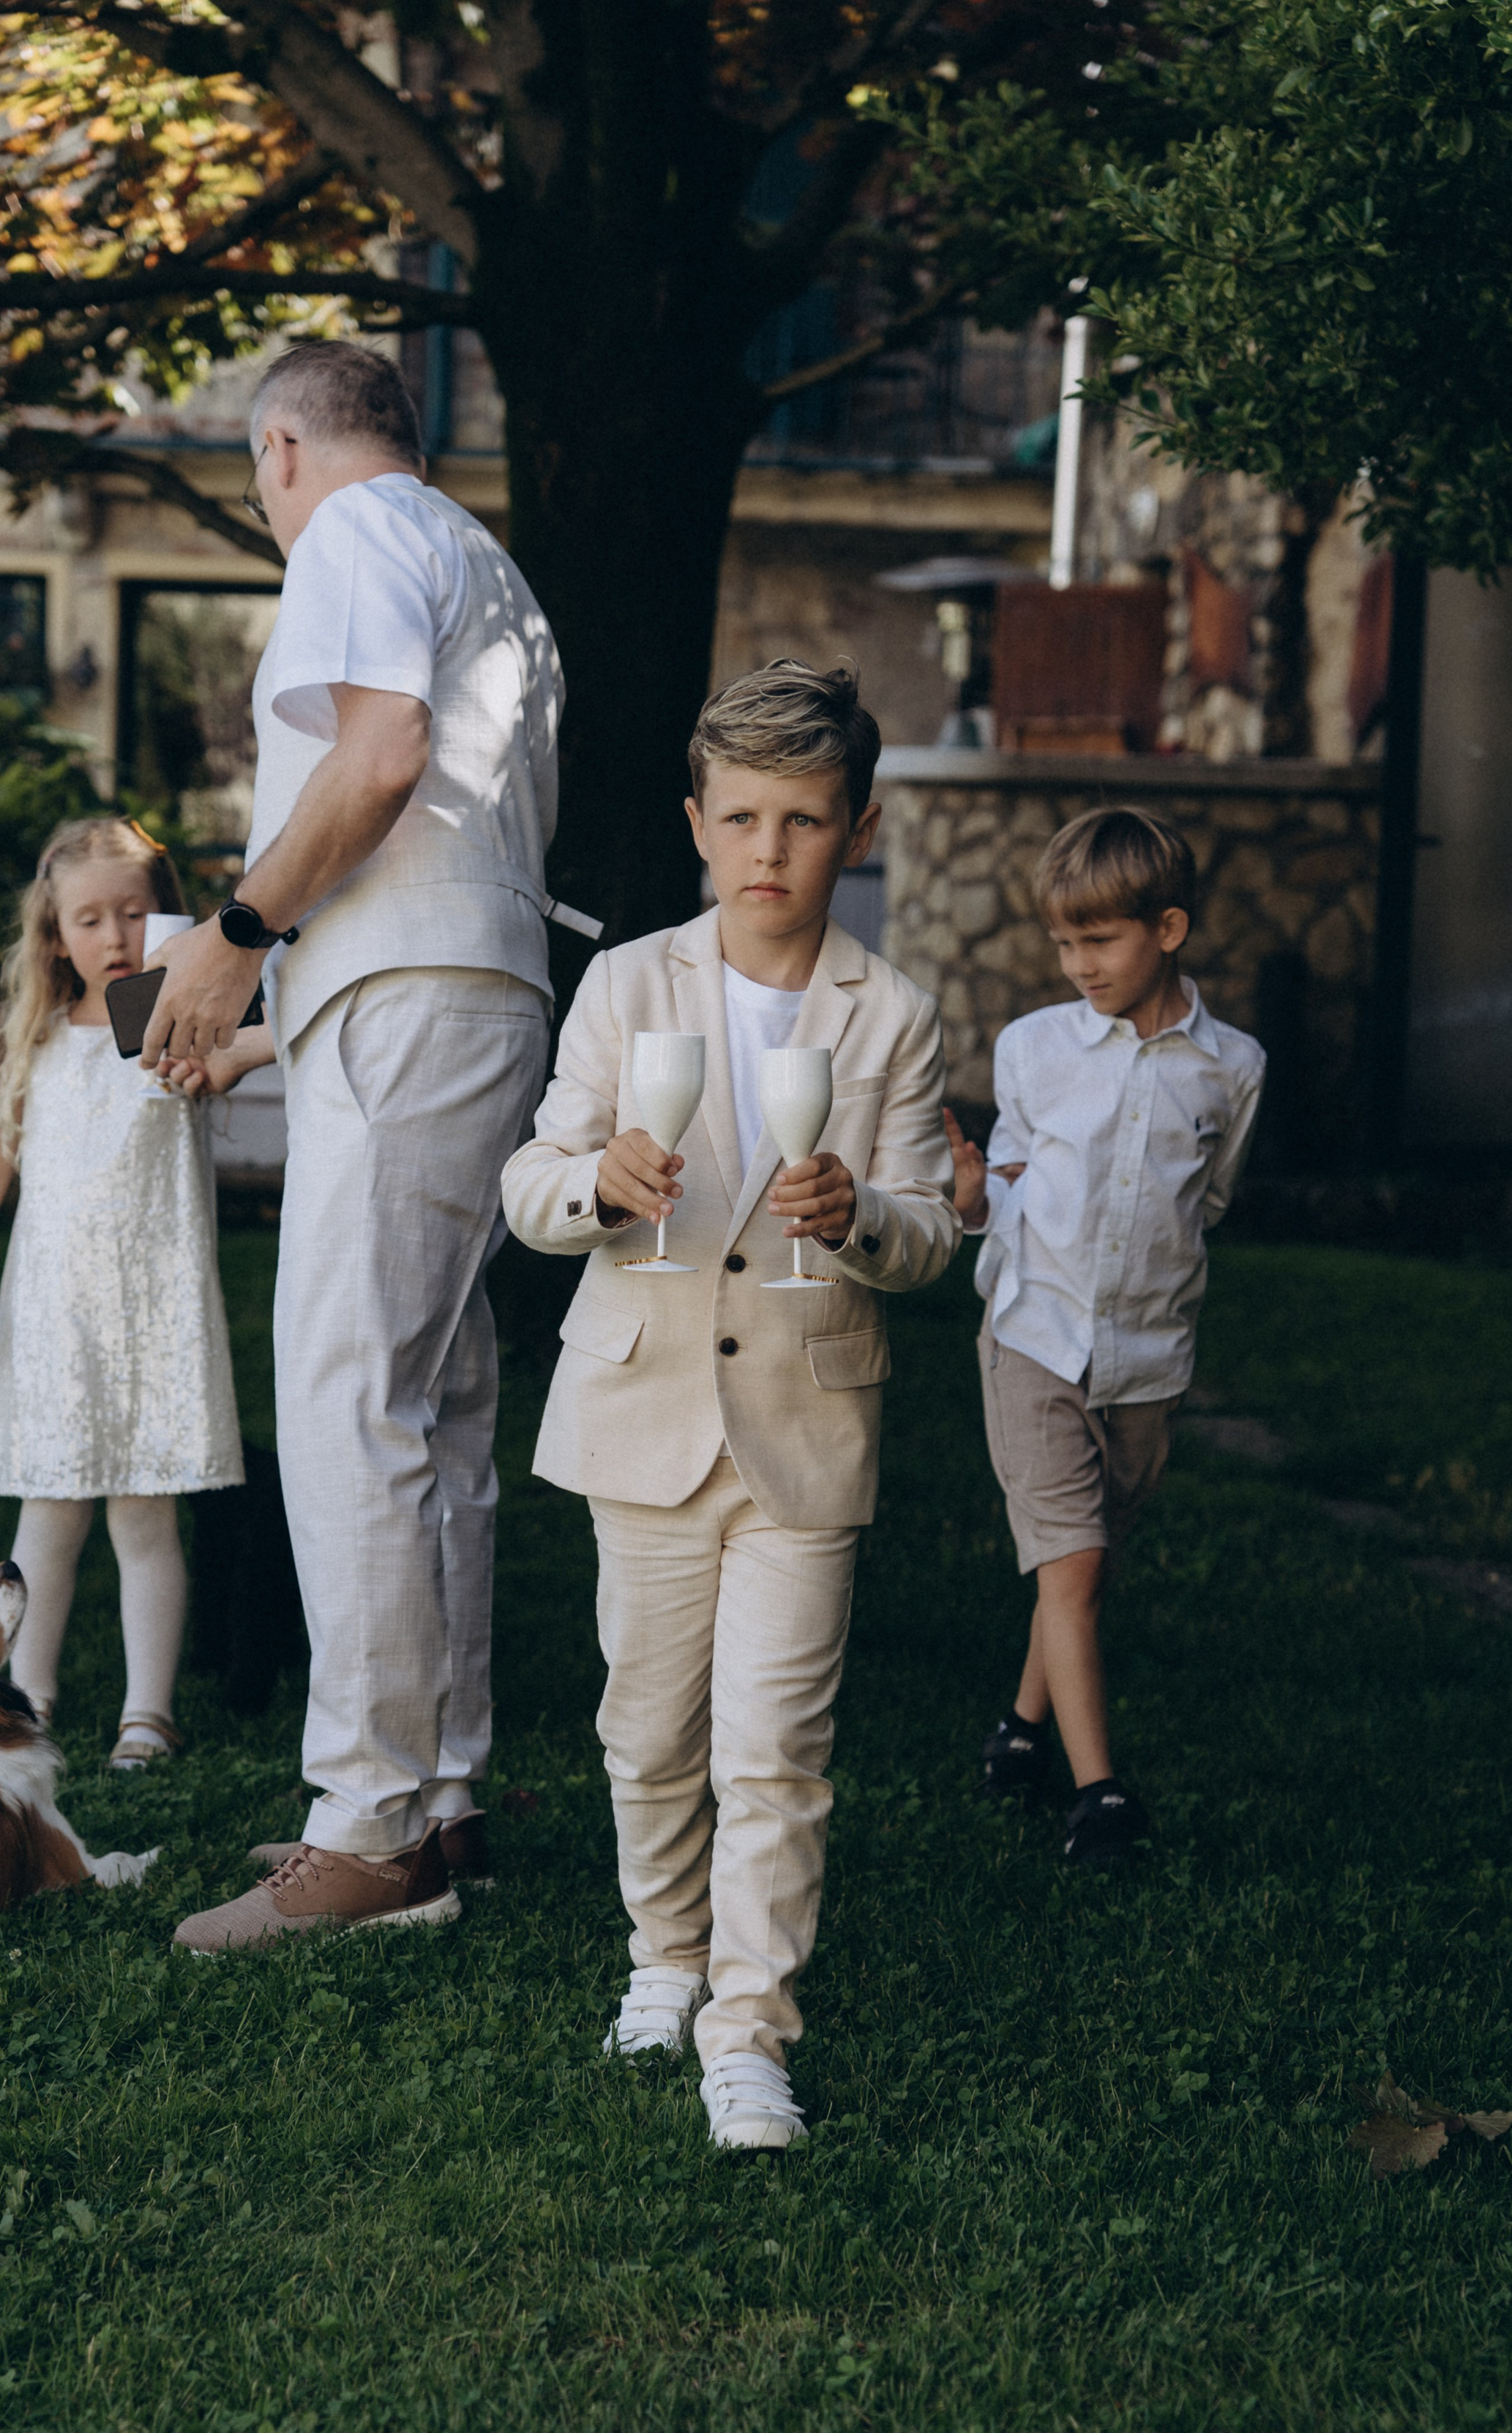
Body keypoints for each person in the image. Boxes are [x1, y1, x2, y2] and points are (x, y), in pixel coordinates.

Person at [501, 662, 960, 2149]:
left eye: (806, 821)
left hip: (805, 1430)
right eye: (744, 818)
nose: (771, 850)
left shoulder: (892, 1013)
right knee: (645, 1729)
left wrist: (862, 1214)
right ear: (698, 823)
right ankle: (664, 1956)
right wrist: (596, 1182)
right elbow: (529, 1184)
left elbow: (930, 1232)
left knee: (776, 1748)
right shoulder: (628, 983)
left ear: (857, 831)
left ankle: (749, 2030)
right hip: (640, 1408)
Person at [161, 340, 565, 1952]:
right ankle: (442, 1794)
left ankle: (370, 1829)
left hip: (407, 993)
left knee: (347, 1393)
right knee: (437, 1402)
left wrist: (233, 934)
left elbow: (381, 754)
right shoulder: (487, 563)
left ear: (281, 448)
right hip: (473, 986)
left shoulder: (353, 529)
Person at [946, 804, 1265, 1869]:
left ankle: (1019, 1731)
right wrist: (971, 1197)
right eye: (1063, 942)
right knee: (1074, 1561)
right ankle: (1100, 1799)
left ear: (1168, 930)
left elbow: (1208, 1199)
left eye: (1100, 940)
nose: (1077, 964)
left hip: (1147, 1360)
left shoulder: (1232, 1067)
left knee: (1082, 1570)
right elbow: (1007, 1182)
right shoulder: (1034, 1049)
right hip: (1035, 1333)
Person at [0, 817, 244, 1768]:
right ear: (56, 936)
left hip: (156, 1315)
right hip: (56, 1322)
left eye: (135, 914)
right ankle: (29, 1699)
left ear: (169, 917)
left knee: (146, 1516)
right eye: (91, 919)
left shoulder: (179, 1027)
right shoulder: (39, 1042)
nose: (115, 936)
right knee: (48, 1517)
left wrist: (224, 1025)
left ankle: (149, 1713)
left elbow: (284, 1035)